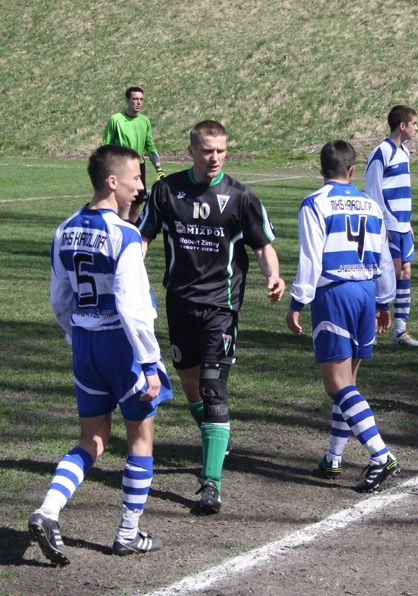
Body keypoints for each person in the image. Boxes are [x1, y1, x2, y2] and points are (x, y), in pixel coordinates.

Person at [28, 145, 172, 565]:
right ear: (112, 182)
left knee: (92, 439)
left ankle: (48, 510)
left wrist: (76, 335)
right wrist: (149, 363)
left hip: (85, 344)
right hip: (121, 347)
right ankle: (128, 533)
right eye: (135, 178)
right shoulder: (124, 235)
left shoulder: (64, 229)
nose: (140, 187)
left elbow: (59, 299)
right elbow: (133, 307)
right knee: (140, 436)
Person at [140, 120, 285, 514]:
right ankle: (218, 435)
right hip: (180, 303)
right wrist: (131, 273)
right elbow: (144, 236)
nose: (215, 158)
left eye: (221, 150)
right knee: (191, 387)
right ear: (191, 152)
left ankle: (211, 484)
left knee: (212, 388)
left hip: (221, 307)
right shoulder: (167, 191)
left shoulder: (241, 196)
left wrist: (273, 274)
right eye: (207, 151)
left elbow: (263, 246)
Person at [286, 140, 400, 492]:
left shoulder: (315, 203)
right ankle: (334, 456)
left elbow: (310, 257)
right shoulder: (371, 205)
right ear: (352, 170)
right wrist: (385, 301)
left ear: (321, 169)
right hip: (366, 292)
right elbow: (384, 257)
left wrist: (297, 301)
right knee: (348, 382)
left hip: (335, 293)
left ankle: (381, 455)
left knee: (336, 384)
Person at [365, 105, 418, 347]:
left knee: (405, 273)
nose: (417, 128)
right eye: (414, 124)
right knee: (386, 275)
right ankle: (369, 328)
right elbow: (373, 191)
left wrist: (407, 223)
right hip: (388, 226)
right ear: (402, 125)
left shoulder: (405, 152)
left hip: (402, 226)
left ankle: (401, 330)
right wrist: (383, 224)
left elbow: (402, 192)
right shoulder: (381, 152)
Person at [102, 86, 165, 222]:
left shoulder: (145, 121)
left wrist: (158, 168)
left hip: (138, 168)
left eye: (141, 99)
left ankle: (134, 231)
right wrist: (105, 167)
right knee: (121, 203)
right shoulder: (115, 120)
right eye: (135, 99)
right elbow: (105, 145)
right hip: (121, 168)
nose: (139, 102)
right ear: (127, 100)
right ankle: (116, 229)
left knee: (136, 204)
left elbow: (150, 145)